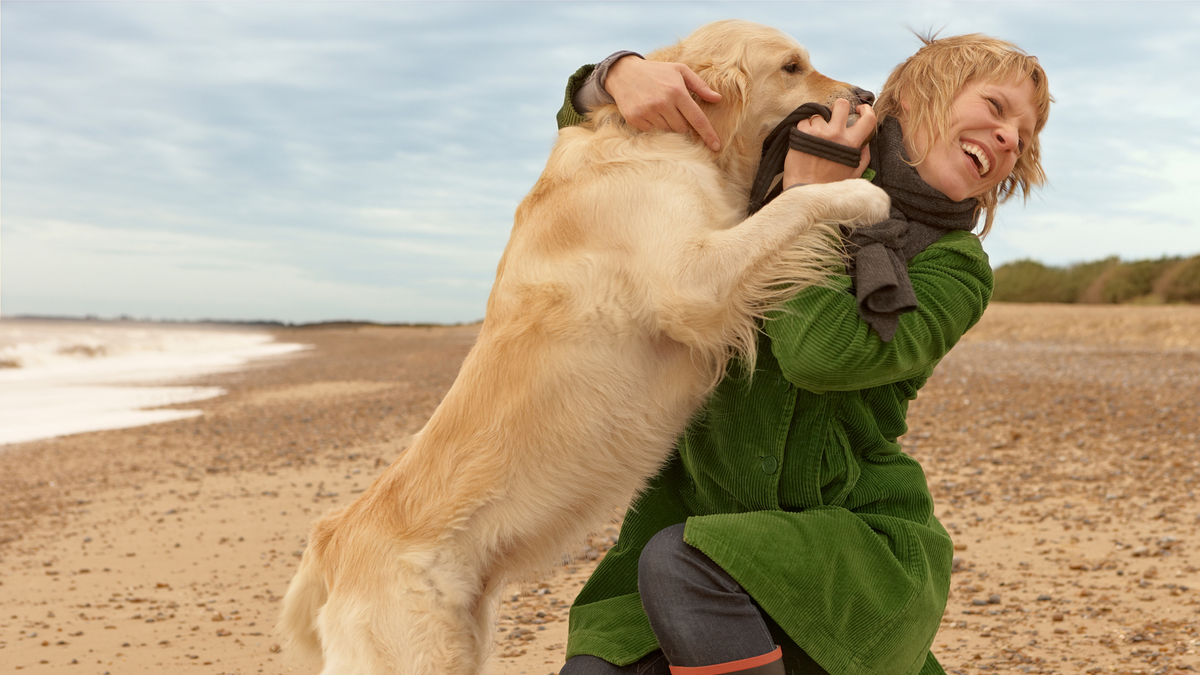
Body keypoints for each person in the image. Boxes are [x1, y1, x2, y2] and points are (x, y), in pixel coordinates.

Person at [554, 32, 1052, 675]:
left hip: (851, 553)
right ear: (918, 94)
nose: (1010, 135)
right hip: (702, 513)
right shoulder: (787, 144)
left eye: (1024, 134)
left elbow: (824, 355)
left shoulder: (957, 267)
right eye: (995, 105)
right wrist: (618, 74)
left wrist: (803, 207)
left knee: (684, 563)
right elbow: (599, 132)